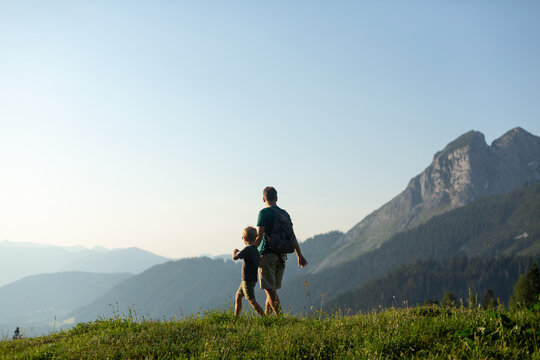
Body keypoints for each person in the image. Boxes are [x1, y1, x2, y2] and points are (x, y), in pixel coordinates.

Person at [254, 186, 308, 315]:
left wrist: (251, 250)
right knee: (272, 291)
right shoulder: (284, 213)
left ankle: (280, 319)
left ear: (263, 199)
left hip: (267, 255)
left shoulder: (263, 213)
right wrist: (299, 255)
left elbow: (259, 236)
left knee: (269, 290)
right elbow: (292, 236)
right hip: (282, 256)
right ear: (276, 198)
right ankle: (266, 319)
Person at [232, 226, 265, 317]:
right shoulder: (255, 250)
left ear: (245, 239)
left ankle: (265, 318)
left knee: (251, 300)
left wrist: (234, 251)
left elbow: (235, 258)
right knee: (238, 296)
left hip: (247, 280)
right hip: (250, 279)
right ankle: (236, 318)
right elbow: (260, 264)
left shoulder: (247, 249)